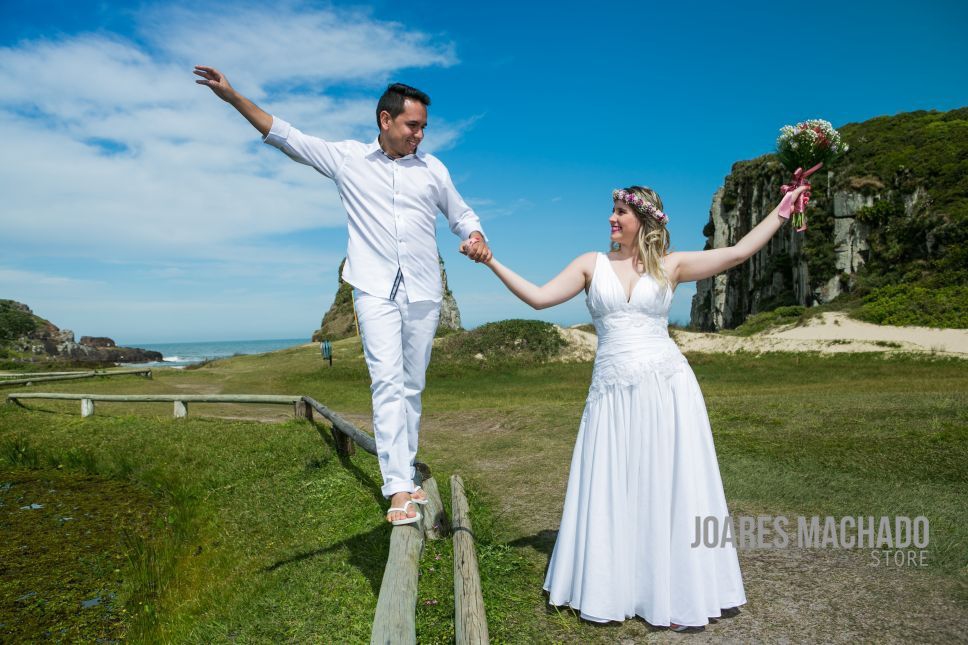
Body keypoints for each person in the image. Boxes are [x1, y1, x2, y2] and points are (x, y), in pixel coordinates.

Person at [463, 183, 807, 630]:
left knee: (668, 484)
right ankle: (614, 586)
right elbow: (540, 298)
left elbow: (738, 252)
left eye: (620, 211)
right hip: (610, 395)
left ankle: (675, 591)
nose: (611, 218)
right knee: (614, 483)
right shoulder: (591, 264)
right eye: (612, 210)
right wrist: (491, 261)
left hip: (668, 389)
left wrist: (782, 211)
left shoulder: (671, 265)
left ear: (643, 219)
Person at [195, 66, 493, 525]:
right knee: (387, 382)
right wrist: (234, 98)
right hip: (373, 288)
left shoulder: (433, 169)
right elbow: (286, 136)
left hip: (423, 290)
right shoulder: (348, 159)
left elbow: (462, 214)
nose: (419, 135)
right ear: (385, 120)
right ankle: (397, 488)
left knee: (412, 387)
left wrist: (474, 236)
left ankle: (407, 469)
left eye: (423, 127)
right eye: (412, 125)